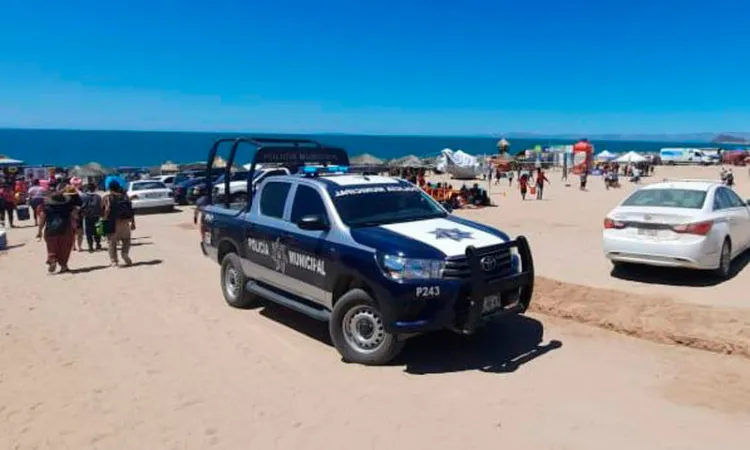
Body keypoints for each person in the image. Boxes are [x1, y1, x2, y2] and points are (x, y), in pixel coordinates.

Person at [37, 192, 76, 273]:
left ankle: (53, 260)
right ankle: (64, 265)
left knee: (51, 248)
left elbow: (42, 218)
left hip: (50, 230)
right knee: (64, 248)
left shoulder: (46, 207)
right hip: (65, 229)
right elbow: (74, 217)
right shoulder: (68, 207)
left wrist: (39, 231)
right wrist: (74, 228)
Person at [102, 180, 136, 267]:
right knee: (126, 240)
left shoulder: (107, 197)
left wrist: (104, 223)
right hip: (125, 222)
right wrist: (132, 222)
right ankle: (124, 253)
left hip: (112, 222)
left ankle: (114, 261)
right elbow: (131, 211)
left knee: (111, 243)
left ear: (109, 188)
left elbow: (104, 211)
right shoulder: (125, 197)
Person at [81, 183, 103, 252]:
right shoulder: (98, 197)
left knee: (89, 232)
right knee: (98, 231)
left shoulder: (83, 196)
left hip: (87, 216)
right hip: (97, 216)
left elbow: (81, 206)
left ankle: (90, 246)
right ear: (95, 188)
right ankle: (98, 245)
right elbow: (102, 206)